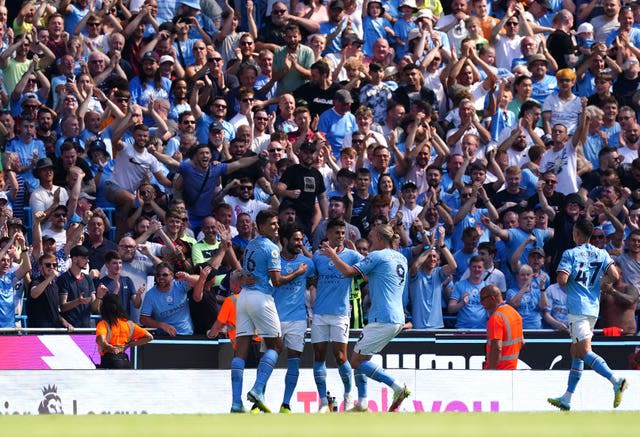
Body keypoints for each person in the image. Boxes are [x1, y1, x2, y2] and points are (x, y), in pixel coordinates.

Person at [321, 223, 411, 413]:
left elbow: (347, 273)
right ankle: (362, 402)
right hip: (397, 318)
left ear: (378, 237)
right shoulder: (401, 257)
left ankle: (397, 387)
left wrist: (333, 255)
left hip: (383, 317)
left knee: (355, 361)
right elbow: (375, 275)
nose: (369, 240)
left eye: (371, 237)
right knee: (362, 357)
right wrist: (362, 258)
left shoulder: (377, 256)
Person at [230, 210, 308, 413]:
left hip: (244, 297)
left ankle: (236, 403)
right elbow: (277, 281)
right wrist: (298, 272)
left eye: (277, 223)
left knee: (241, 349)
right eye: (272, 224)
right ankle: (257, 389)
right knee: (276, 345)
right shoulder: (272, 248)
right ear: (261, 226)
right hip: (261, 298)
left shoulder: (250, 245)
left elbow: (244, 272)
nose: (276, 227)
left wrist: (242, 277)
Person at [548, 218, 628, 411]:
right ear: (591, 235)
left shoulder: (570, 254)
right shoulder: (601, 253)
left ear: (576, 233)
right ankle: (567, 398)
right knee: (576, 353)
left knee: (584, 351)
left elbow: (562, 280)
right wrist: (600, 284)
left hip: (577, 308)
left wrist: (575, 284)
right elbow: (615, 276)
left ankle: (616, 380)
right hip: (593, 308)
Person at [311, 218, 362, 412]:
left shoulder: (351, 256)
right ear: (328, 234)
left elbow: (364, 270)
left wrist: (353, 249)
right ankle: (324, 402)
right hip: (320, 313)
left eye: (343, 233)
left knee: (341, 357)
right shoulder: (317, 256)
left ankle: (349, 396)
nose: (340, 236)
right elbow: (311, 277)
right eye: (336, 233)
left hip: (340, 313)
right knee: (318, 356)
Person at [273, 224, 315, 413]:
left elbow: (314, 279)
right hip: (274, 317)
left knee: (294, 360)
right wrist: (297, 273)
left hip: (298, 318)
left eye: (301, 240)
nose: (299, 243)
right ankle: (258, 399)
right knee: (269, 359)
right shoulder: (274, 261)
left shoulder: (308, 262)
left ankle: (286, 404)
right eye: (296, 240)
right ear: (284, 240)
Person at [95, 294, 153, 369]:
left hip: (109, 361)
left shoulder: (103, 324)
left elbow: (101, 340)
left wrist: (108, 346)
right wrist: (129, 345)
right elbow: (149, 337)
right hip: (125, 361)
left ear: (104, 308)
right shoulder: (129, 324)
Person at [480, 284, 524, 370]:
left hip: (499, 371)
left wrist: (491, 372)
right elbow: (522, 342)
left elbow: (497, 348)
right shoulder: (514, 313)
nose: (481, 302)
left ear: (492, 298)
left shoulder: (496, 318)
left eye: (482, 299)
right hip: (511, 369)